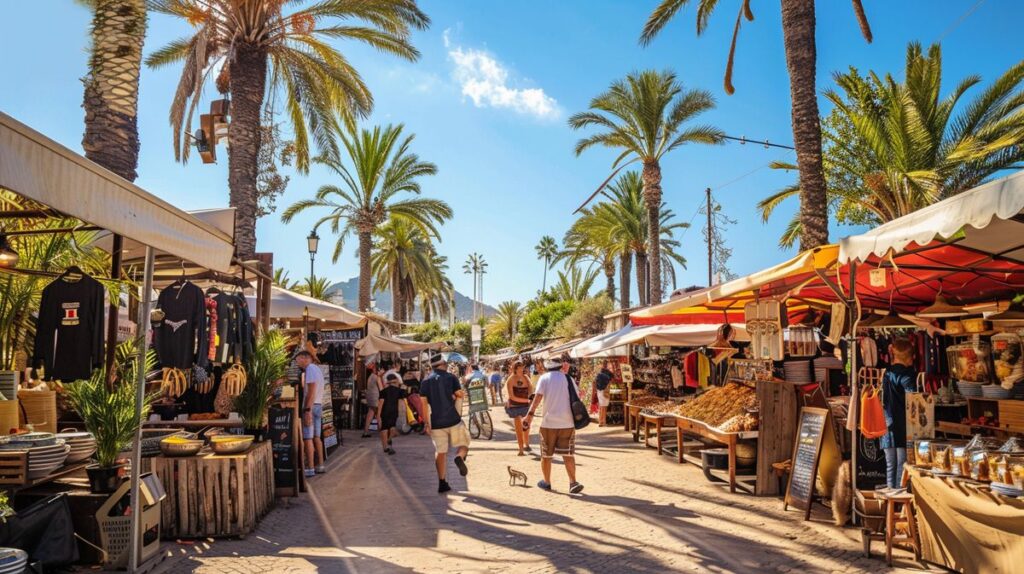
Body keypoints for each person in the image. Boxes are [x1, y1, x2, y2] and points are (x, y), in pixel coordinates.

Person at [523, 356, 583, 494]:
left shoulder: (544, 378)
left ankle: (547, 482)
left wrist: (529, 416)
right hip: (567, 422)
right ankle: (573, 482)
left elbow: (537, 398)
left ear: (547, 366)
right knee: (568, 454)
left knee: (546, 455)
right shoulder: (568, 379)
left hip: (549, 423)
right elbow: (577, 397)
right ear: (560, 366)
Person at [420, 353, 471, 493]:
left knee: (440, 451)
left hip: (436, 422)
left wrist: (426, 423)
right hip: (453, 419)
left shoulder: (425, 381)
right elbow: (460, 394)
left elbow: (424, 405)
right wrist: (455, 395)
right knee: (464, 443)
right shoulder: (451, 377)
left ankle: (442, 482)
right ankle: (459, 457)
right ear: (443, 364)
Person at [881, 338, 917, 488]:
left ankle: (890, 497)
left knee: (890, 465)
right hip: (903, 425)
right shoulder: (908, 375)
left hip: (886, 423)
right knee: (902, 465)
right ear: (909, 357)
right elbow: (913, 399)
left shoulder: (886, 373)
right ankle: (898, 500)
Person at [296, 351, 325, 477]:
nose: (297, 362)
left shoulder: (310, 369)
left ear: (304, 358)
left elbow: (311, 391)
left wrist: (307, 410)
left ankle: (310, 468)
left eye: (297, 359)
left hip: (311, 407)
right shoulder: (316, 369)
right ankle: (320, 465)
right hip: (318, 405)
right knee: (316, 437)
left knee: (308, 438)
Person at [505, 360, 533, 456]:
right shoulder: (511, 379)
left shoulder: (526, 377)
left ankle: (527, 444)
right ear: (515, 369)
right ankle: (521, 449)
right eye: (520, 367)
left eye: (523, 367)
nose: (522, 369)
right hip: (515, 406)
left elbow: (530, 390)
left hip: (526, 405)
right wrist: (526, 401)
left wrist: (529, 399)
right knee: (518, 428)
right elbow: (511, 396)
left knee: (526, 426)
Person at [378, 372, 407, 455]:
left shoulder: (383, 391)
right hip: (394, 412)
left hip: (385, 411)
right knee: (392, 428)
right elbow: (402, 401)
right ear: (396, 381)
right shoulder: (400, 391)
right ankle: (389, 441)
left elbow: (380, 403)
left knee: (384, 429)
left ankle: (385, 447)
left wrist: (378, 415)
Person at [362, 362, 382, 438]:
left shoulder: (370, 376)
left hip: (370, 398)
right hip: (376, 398)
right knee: (379, 414)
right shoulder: (377, 377)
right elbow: (381, 389)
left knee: (370, 414)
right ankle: (382, 431)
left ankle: (365, 432)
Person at [594, 360, 614, 427]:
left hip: (599, 391)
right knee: (604, 406)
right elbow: (612, 377)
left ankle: (601, 421)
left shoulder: (599, 373)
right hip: (605, 391)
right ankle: (603, 421)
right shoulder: (607, 373)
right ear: (607, 365)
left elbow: (595, 382)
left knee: (601, 406)